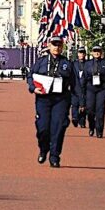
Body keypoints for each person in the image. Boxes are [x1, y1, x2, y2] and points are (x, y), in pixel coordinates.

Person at [27, 36, 74, 168]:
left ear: (62, 47)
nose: (56, 47)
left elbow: (74, 84)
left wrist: (78, 104)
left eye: (59, 45)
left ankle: (54, 156)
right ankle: (43, 148)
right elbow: (31, 76)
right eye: (54, 45)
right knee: (43, 128)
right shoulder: (41, 62)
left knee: (58, 128)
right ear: (49, 46)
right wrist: (33, 88)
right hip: (43, 99)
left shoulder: (67, 63)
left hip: (61, 99)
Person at [82, 44, 105, 138]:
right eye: (95, 51)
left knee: (100, 111)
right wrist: (82, 90)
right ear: (92, 53)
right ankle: (91, 127)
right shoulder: (88, 64)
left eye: (98, 51)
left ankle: (99, 130)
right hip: (90, 88)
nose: (97, 52)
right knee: (90, 110)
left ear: (101, 52)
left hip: (102, 88)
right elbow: (84, 78)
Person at [71, 48, 88, 129]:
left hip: (85, 88)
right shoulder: (73, 64)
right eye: (80, 53)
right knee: (75, 104)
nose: (81, 55)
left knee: (83, 105)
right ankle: (74, 118)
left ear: (85, 54)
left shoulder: (88, 64)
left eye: (83, 53)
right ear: (78, 54)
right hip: (75, 87)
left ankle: (82, 121)